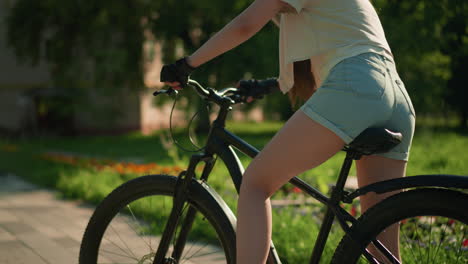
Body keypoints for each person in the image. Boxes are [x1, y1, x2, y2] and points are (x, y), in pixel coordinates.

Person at [160, 0, 416, 263]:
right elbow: (341, 52)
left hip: (357, 86)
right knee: (380, 246)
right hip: (396, 98)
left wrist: (185, 65)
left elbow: (245, 25)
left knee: (256, 184)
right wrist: (265, 86)